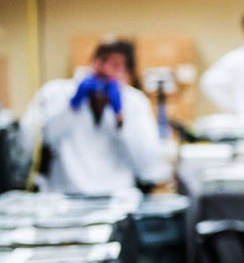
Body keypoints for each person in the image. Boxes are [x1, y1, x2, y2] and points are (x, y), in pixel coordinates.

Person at [20, 42, 168, 194]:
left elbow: (147, 160)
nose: (106, 70)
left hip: (117, 195)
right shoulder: (55, 93)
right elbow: (36, 142)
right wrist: (71, 107)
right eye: (102, 61)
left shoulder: (135, 102)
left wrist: (120, 118)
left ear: (128, 75)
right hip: (65, 193)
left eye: (116, 65)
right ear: (91, 62)